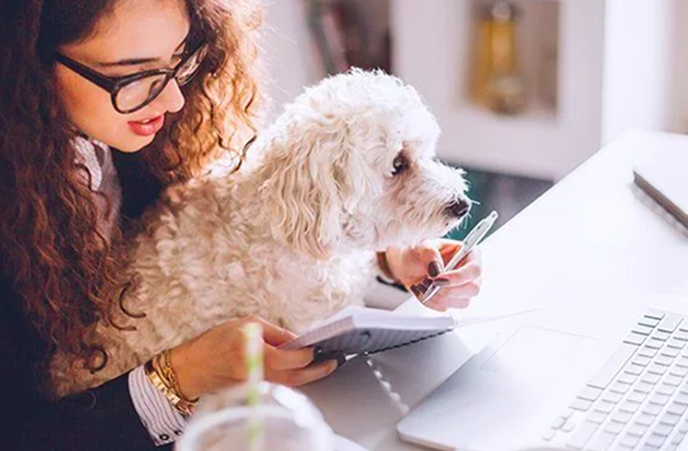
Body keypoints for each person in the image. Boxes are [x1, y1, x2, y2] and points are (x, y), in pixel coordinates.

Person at [0, 0, 483, 449]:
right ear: (30, 64)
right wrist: (179, 374)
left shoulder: (157, 130)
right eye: (136, 76)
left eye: (178, 59)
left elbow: (264, 227)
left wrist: (389, 256)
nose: (171, 100)